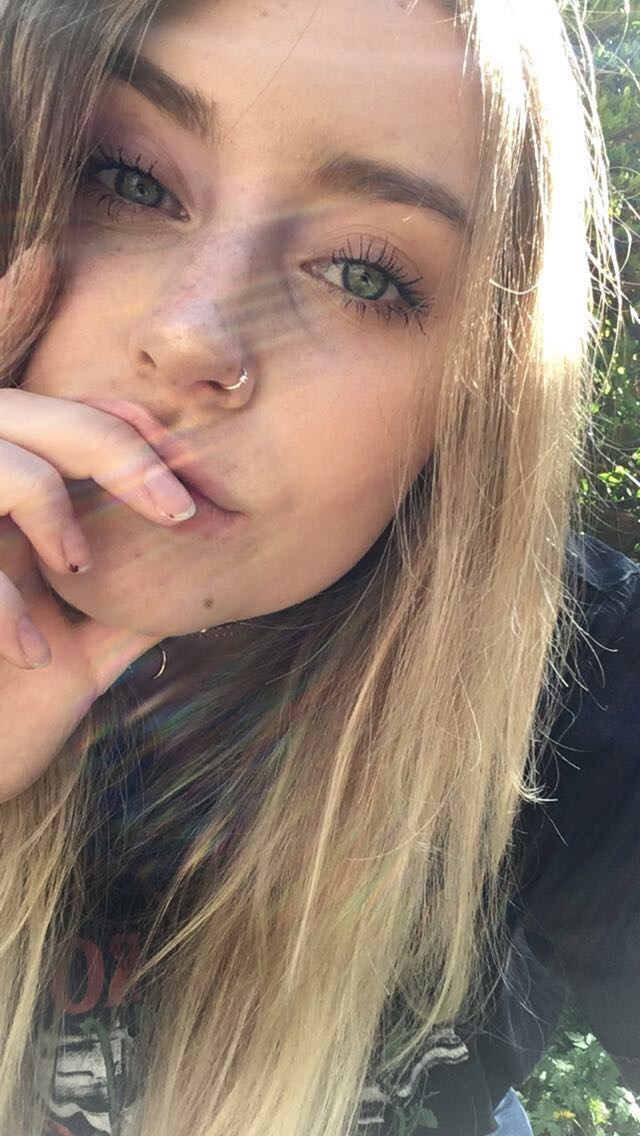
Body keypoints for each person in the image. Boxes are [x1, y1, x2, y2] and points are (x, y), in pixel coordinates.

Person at [0, 1, 638, 1134]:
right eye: (128, 180)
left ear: (478, 400)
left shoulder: (584, 685)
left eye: (362, 273)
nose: (193, 336)